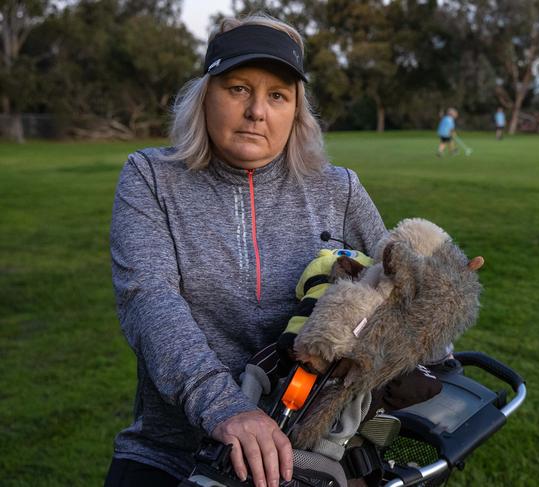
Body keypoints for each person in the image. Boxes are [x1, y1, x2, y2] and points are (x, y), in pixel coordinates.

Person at [104, 14, 386, 487]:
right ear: (205, 95)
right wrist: (224, 408)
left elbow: (394, 286)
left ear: (296, 111)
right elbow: (149, 299)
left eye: (277, 95)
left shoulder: (339, 190)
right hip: (175, 449)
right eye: (238, 88)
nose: (257, 110)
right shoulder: (151, 178)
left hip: (312, 453)